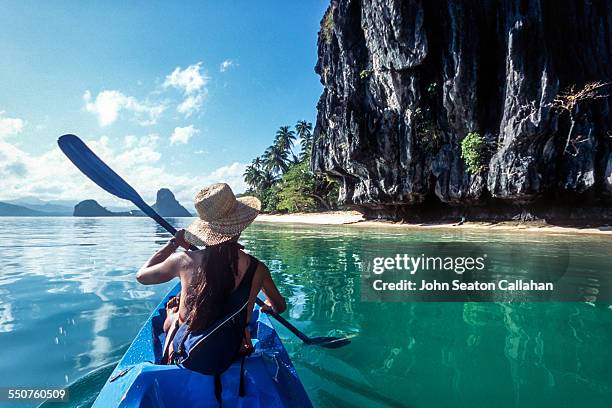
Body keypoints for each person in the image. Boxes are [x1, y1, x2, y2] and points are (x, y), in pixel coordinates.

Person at [135, 183, 286, 384]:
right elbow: (280, 307)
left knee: (173, 319)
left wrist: (173, 244)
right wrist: (267, 306)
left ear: (206, 228)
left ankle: (172, 318)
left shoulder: (183, 261)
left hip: (187, 355)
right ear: (240, 226)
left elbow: (142, 276)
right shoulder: (258, 269)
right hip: (233, 352)